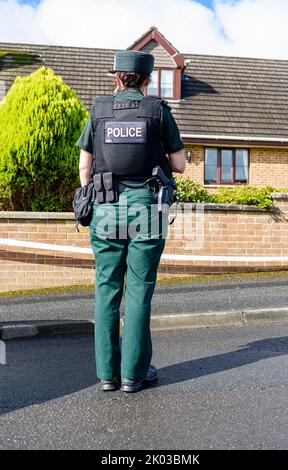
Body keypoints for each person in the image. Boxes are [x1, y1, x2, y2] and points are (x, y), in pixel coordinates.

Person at [76, 50, 185, 393]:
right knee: (139, 291)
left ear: (117, 78)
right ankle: (133, 376)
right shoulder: (158, 111)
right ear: (148, 80)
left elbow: (84, 167)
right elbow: (179, 164)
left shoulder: (99, 110)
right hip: (146, 208)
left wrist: (98, 193)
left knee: (106, 289)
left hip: (106, 208)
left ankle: (107, 374)